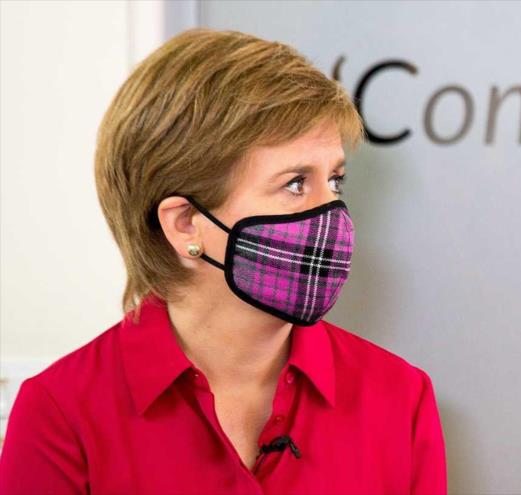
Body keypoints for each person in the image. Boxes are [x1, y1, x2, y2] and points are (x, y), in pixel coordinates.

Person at [0, 28, 447, 494]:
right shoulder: (62, 414)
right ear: (187, 224)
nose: (332, 214)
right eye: (296, 183)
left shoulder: (400, 398)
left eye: (335, 180)